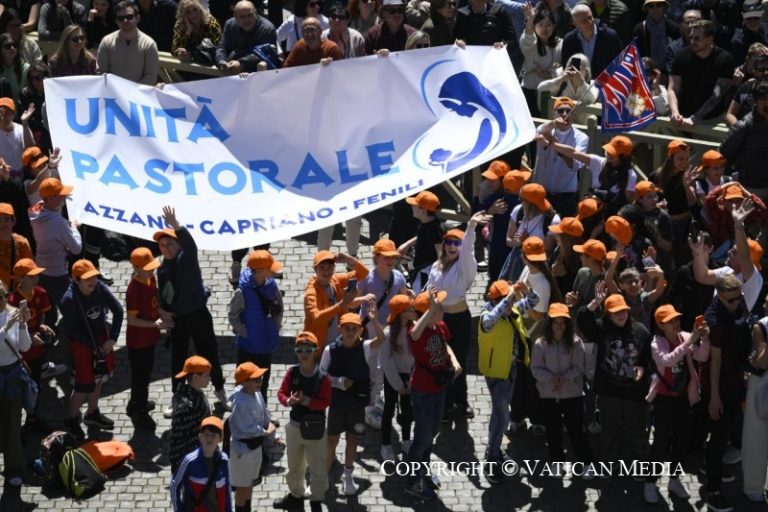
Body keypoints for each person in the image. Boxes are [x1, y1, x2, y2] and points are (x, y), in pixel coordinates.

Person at [155, 206, 228, 416]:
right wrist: (164, 313)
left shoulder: (186, 257)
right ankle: (177, 396)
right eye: (162, 245)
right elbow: (164, 295)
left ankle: (220, 389)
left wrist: (175, 224)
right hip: (179, 319)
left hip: (198, 314)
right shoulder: (162, 269)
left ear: (178, 244)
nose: (167, 249)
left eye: (170, 244)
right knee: (178, 359)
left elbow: (190, 244)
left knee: (210, 353)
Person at [577, 285, 652, 466]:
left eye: (623, 311)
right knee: (609, 431)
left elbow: (646, 357)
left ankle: (640, 464)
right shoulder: (601, 328)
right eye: (616, 312)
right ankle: (608, 462)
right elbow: (582, 321)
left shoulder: (640, 331)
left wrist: (642, 368)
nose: (621, 315)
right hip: (609, 390)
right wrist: (595, 302)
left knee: (637, 431)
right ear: (608, 315)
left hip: (634, 391)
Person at [643, 304, 710, 503]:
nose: (675, 324)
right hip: (663, 399)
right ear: (660, 325)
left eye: (676, 320)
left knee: (682, 440)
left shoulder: (685, 336)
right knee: (661, 442)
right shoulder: (657, 343)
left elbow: (702, 355)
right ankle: (650, 481)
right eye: (670, 321)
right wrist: (691, 340)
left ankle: (674, 479)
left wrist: (705, 339)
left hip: (683, 398)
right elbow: (667, 360)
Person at [426, 212, 490, 420]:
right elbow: (430, 287)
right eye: (449, 242)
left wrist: (470, 227)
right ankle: (445, 404)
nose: (452, 246)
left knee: (459, 361)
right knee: (442, 360)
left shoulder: (464, 266)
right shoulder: (436, 266)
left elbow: (469, 248)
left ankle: (461, 402)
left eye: (456, 243)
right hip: (441, 319)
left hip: (460, 319)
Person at [700, 274, 752, 512]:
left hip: (735, 380)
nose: (737, 303)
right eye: (731, 300)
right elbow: (715, 361)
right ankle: (713, 491)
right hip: (720, 386)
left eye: (739, 298)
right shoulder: (716, 320)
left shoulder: (735, 306)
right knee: (718, 439)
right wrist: (714, 397)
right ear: (719, 296)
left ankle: (712, 468)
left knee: (728, 430)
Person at [404, 289, 460, 500]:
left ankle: (423, 471)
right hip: (423, 392)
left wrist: (454, 361)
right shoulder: (416, 332)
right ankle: (412, 481)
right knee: (422, 438)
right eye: (439, 308)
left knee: (433, 432)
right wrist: (431, 308)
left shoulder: (440, 326)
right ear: (428, 312)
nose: (443, 309)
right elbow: (415, 334)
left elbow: (446, 345)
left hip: (439, 388)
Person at [480, 280, 538, 484]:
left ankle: (494, 450)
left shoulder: (511, 310)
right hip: (497, 374)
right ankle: (491, 459)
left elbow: (534, 300)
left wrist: (525, 290)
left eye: (512, 299)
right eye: (508, 299)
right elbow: (489, 322)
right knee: (503, 417)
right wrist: (508, 298)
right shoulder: (488, 315)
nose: (513, 302)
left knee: (498, 416)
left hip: (511, 370)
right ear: (496, 300)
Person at [320, 310, 384, 495]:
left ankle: (348, 477)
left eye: (354, 329)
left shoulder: (365, 347)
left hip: (356, 404)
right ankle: (322, 478)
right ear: (339, 329)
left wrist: (374, 320)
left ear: (360, 331)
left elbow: (381, 339)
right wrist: (338, 382)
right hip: (337, 404)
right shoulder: (330, 350)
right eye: (346, 328)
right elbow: (321, 376)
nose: (350, 332)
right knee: (331, 441)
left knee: (352, 439)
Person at [59, 259, 124, 439]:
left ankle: (92, 413)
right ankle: (71, 419)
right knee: (83, 385)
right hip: (82, 345)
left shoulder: (99, 287)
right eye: (87, 278)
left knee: (99, 378)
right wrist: (94, 347)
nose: (93, 281)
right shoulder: (68, 300)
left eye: (94, 277)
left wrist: (112, 338)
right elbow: (72, 330)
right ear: (75, 279)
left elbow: (118, 310)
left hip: (101, 341)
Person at [531, 303, 592, 476]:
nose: (559, 326)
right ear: (549, 323)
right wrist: (553, 379)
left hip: (572, 394)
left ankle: (586, 462)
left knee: (576, 431)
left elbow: (579, 367)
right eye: (556, 322)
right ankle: (557, 461)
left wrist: (562, 378)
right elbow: (535, 369)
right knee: (553, 430)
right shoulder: (540, 344)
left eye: (562, 322)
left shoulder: (576, 343)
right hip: (549, 395)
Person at [274, 332, 332, 512]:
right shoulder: (292, 372)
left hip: (316, 429)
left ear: (316, 351)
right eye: (300, 350)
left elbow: (325, 402)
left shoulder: (323, 377)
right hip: (295, 427)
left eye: (308, 350)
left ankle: (316, 499)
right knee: (294, 465)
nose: (304, 353)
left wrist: (305, 401)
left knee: (317, 466)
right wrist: (288, 401)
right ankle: (296, 496)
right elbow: (281, 393)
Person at [9, 257, 61, 430]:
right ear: (20, 278)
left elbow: (42, 317)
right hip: (20, 355)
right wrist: (30, 335)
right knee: (19, 390)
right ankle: (15, 426)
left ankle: (32, 418)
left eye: (36, 275)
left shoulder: (41, 293)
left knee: (35, 385)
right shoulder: (12, 301)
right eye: (31, 276)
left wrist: (42, 326)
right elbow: (11, 331)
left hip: (37, 351)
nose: (36, 279)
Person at [227, 249, 283, 405]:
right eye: (269, 269)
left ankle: (262, 410)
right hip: (249, 347)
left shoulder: (271, 284)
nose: (274, 272)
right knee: (244, 385)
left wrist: (276, 325)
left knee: (263, 383)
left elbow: (279, 306)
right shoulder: (242, 291)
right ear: (259, 272)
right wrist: (245, 332)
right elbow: (233, 315)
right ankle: (241, 410)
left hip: (266, 345)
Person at [691, 198, 764, 313]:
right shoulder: (728, 270)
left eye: (734, 252)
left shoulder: (753, 278)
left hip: (732, 324)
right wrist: (697, 253)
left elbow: (744, 256)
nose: (729, 252)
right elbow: (702, 276)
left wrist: (738, 226)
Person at [29, 177, 81, 327]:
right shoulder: (59, 223)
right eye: (61, 195)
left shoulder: (33, 211)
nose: (64, 198)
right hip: (58, 273)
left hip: (41, 269)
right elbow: (76, 249)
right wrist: (74, 228)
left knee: (48, 306)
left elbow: (42, 204)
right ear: (50, 198)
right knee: (68, 307)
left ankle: (50, 329)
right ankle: (72, 332)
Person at [125, 247, 168, 429]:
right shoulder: (134, 291)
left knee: (146, 374)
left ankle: (137, 403)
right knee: (140, 378)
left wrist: (162, 313)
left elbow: (154, 300)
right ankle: (138, 410)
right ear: (136, 268)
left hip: (149, 338)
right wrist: (155, 325)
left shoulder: (150, 279)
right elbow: (132, 320)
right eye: (148, 268)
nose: (152, 271)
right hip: (138, 342)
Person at [667, 19, 735, 128]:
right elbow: (672, 89)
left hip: (711, 120)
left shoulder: (724, 59)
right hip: (682, 116)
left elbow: (717, 95)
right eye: (691, 37)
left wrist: (695, 118)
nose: (692, 42)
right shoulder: (681, 56)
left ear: (710, 39)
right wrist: (675, 112)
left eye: (697, 38)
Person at [303, 249, 370, 354]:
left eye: (330, 267)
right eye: (322, 267)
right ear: (315, 269)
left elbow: (364, 273)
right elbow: (315, 318)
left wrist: (348, 259)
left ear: (334, 267)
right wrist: (342, 304)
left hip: (339, 345)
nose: (326, 271)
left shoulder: (335, 280)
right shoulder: (311, 292)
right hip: (319, 348)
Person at [229, 362, 275, 512]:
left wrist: (273, 436)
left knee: (249, 483)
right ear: (244, 382)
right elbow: (247, 428)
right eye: (256, 379)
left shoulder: (256, 393)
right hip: (243, 452)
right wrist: (266, 433)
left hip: (255, 448)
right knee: (242, 487)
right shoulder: (240, 403)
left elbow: (265, 415)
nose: (260, 382)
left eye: (260, 378)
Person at [532, 100, 589, 216]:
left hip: (565, 197)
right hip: (541, 194)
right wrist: (554, 123)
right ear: (554, 114)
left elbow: (575, 164)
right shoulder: (546, 130)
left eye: (569, 111)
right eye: (560, 111)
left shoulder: (581, 137)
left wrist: (553, 146)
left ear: (574, 115)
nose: (565, 114)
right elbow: (540, 131)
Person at [0, 284, 30, 489]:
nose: (1, 300)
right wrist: (7, 327)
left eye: (3, 295)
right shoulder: (8, 320)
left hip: (12, 376)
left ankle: (14, 469)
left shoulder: (13, 314)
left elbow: (25, 346)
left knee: (12, 425)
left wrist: (22, 325)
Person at [378, 294, 414, 461]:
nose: (413, 311)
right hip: (393, 377)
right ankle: (385, 444)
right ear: (401, 313)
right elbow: (386, 361)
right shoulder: (388, 334)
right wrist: (398, 385)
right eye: (409, 309)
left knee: (407, 410)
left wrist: (411, 378)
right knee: (389, 409)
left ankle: (406, 440)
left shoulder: (414, 328)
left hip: (410, 376)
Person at [649, 139, 696, 267]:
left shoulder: (687, 176)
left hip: (683, 225)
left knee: (682, 261)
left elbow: (692, 203)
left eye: (687, 159)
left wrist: (687, 185)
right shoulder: (656, 176)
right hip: (663, 224)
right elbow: (647, 200)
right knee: (663, 261)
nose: (684, 163)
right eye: (680, 159)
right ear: (671, 158)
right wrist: (657, 206)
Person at [720, 81, 768, 206]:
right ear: (757, 102)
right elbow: (723, 154)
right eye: (764, 100)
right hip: (748, 189)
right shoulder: (744, 126)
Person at [170, 415, 233, 512]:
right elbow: (175, 485)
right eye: (206, 435)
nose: (209, 438)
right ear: (200, 437)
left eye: (213, 435)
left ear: (220, 438)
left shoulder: (224, 461)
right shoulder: (190, 461)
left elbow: (227, 490)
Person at [96, 0, 159, 85]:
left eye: (129, 17)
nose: (125, 20)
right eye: (120, 18)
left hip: (138, 92)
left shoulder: (149, 44)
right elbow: (101, 72)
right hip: (112, 91)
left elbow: (150, 77)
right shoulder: (106, 42)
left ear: (138, 18)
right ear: (116, 21)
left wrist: (131, 90)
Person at [742, 293, 768, 504]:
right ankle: (754, 489)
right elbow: (762, 362)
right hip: (761, 384)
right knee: (756, 437)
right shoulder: (761, 326)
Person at [169, 355, 212, 474]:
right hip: (192, 462)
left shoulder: (195, 393)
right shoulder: (186, 407)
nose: (209, 378)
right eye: (206, 376)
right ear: (195, 378)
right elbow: (177, 441)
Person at [520, 5, 562, 118]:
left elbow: (561, 67)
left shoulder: (560, 44)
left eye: (548, 25)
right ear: (534, 26)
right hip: (529, 90)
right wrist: (530, 20)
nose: (544, 29)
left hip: (550, 93)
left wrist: (548, 74)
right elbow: (528, 37)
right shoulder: (530, 42)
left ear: (554, 26)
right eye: (540, 25)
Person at [397, 190, 443, 292]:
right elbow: (422, 235)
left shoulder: (435, 230)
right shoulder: (427, 221)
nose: (412, 206)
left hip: (425, 275)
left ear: (423, 211)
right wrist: (407, 244)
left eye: (415, 205)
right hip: (420, 266)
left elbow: (440, 257)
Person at [215, 0, 277, 75]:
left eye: (250, 15)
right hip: (231, 68)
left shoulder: (267, 29)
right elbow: (222, 47)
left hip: (259, 73)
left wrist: (242, 63)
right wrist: (222, 62)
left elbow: (266, 53)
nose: (247, 20)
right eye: (242, 17)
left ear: (255, 13)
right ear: (235, 17)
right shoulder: (230, 25)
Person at [560, 3, 622, 78]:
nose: (589, 22)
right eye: (584, 21)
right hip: (580, 83)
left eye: (590, 18)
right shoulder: (569, 40)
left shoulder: (610, 36)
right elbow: (567, 68)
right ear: (575, 23)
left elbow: (619, 63)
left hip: (606, 82)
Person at [453, 0, 519, 67]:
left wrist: (503, 44)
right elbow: (455, 38)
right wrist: (458, 42)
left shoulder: (499, 12)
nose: (478, 1)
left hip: (495, 62)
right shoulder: (462, 15)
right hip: (470, 62)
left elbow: (511, 40)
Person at [633, 0, 681, 68]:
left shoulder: (674, 29)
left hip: (669, 70)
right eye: (651, 6)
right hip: (648, 71)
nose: (655, 9)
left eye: (658, 5)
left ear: (664, 7)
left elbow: (678, 53)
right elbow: (636, 54)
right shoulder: (639, 29)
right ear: (647, 9)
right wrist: (645, 60)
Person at [0, 202, 31, 290]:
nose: (2, 224)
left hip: (16, 293)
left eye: (6, 219)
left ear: (13, 221)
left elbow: (30, 272)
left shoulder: (22, 242)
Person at [0, 32, 28, 105]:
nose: (12, 48)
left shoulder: (26, 68)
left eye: (14, 45)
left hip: (21, 109)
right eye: (7, 46)